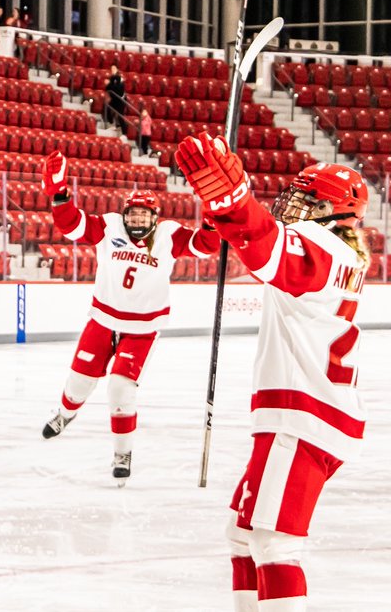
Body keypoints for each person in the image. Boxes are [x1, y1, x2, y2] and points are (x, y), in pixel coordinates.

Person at [172, 135, 370, 612]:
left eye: (306, 199)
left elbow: (266, 250)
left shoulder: (325, 248)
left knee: (276, 543)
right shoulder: (339, 250)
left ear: (333, 210)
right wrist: (226, 216)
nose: (294, 205)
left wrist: (233, 203)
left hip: (306, 419)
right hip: (301, 416)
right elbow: (263, 244)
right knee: (242, 535)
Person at [38, 149, 220, 484]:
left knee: (121, 389)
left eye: (143, 216)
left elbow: (205, 245)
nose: (137, 221)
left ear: (155, 217)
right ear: (124, 215)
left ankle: (122, 452)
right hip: (103, 320)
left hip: (142, 328)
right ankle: (66, 413)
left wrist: (213, 216)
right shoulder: (108, 227)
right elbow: (72, 225)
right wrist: (60, 195)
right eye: (132, 216)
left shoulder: (168, 234)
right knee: (78, 384)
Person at [105, 64, 127, 130]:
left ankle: (124, 132)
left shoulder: (120, 78)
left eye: (114, 68)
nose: (112, 70)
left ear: (117, 69)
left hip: (121, 99)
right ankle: (111, 124)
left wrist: (109, 84)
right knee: (107, 109)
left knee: (120, 116)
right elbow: (108, 89)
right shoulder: (111, 78)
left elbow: (118, 89)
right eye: (111, 69)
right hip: (114, 99)